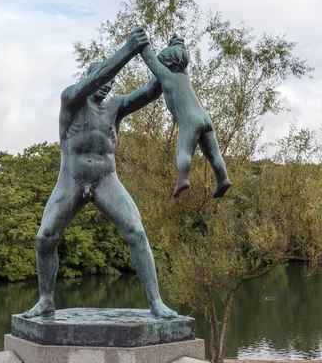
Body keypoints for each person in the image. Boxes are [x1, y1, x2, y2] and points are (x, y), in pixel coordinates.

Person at [23, 27, 178, 319]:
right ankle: (46, 300)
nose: (107, 86)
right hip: (71, 180)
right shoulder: (70, 99)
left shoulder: (115, 107)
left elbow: (150, 91)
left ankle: (156, 302)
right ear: (90, 80)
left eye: (111, 83)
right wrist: (128, 48)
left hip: (107, 180)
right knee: (45, 237)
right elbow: (99, 75)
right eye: (103, 80)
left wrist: (168, 65)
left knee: (136, 231)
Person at [139, 34, 231, 198]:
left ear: (165, 63)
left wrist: (141, 45)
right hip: (205, 118)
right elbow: (182, 58)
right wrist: (178, 44)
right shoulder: (185, 76)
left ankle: (183, 179)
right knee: (214, 154)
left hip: (190, 120)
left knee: (184, 151)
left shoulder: (167, 76)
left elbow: (150, 59)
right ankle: (222, 179)